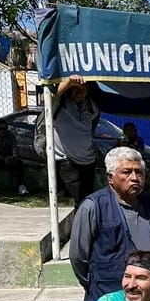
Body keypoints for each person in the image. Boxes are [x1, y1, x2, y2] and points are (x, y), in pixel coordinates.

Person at [70, 147, 150, 301]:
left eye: (139, 172)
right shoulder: (93, 206)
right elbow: (78, 258)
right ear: (110, 178)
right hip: (109, 295)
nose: (135, 178)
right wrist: (95, 283)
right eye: (127, 172)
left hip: (148, 298)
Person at [52, 74, 100, 206]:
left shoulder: (90, 106)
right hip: (69, 162)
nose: (81, 92)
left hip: (88, 161)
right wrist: (69, 82)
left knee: (89, 200)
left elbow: (92, 127)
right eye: (77, 89)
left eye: (84, 89)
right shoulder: (59, 105)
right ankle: (81, 226)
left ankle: (87, 225)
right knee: (82, 202)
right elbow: (51, 96)